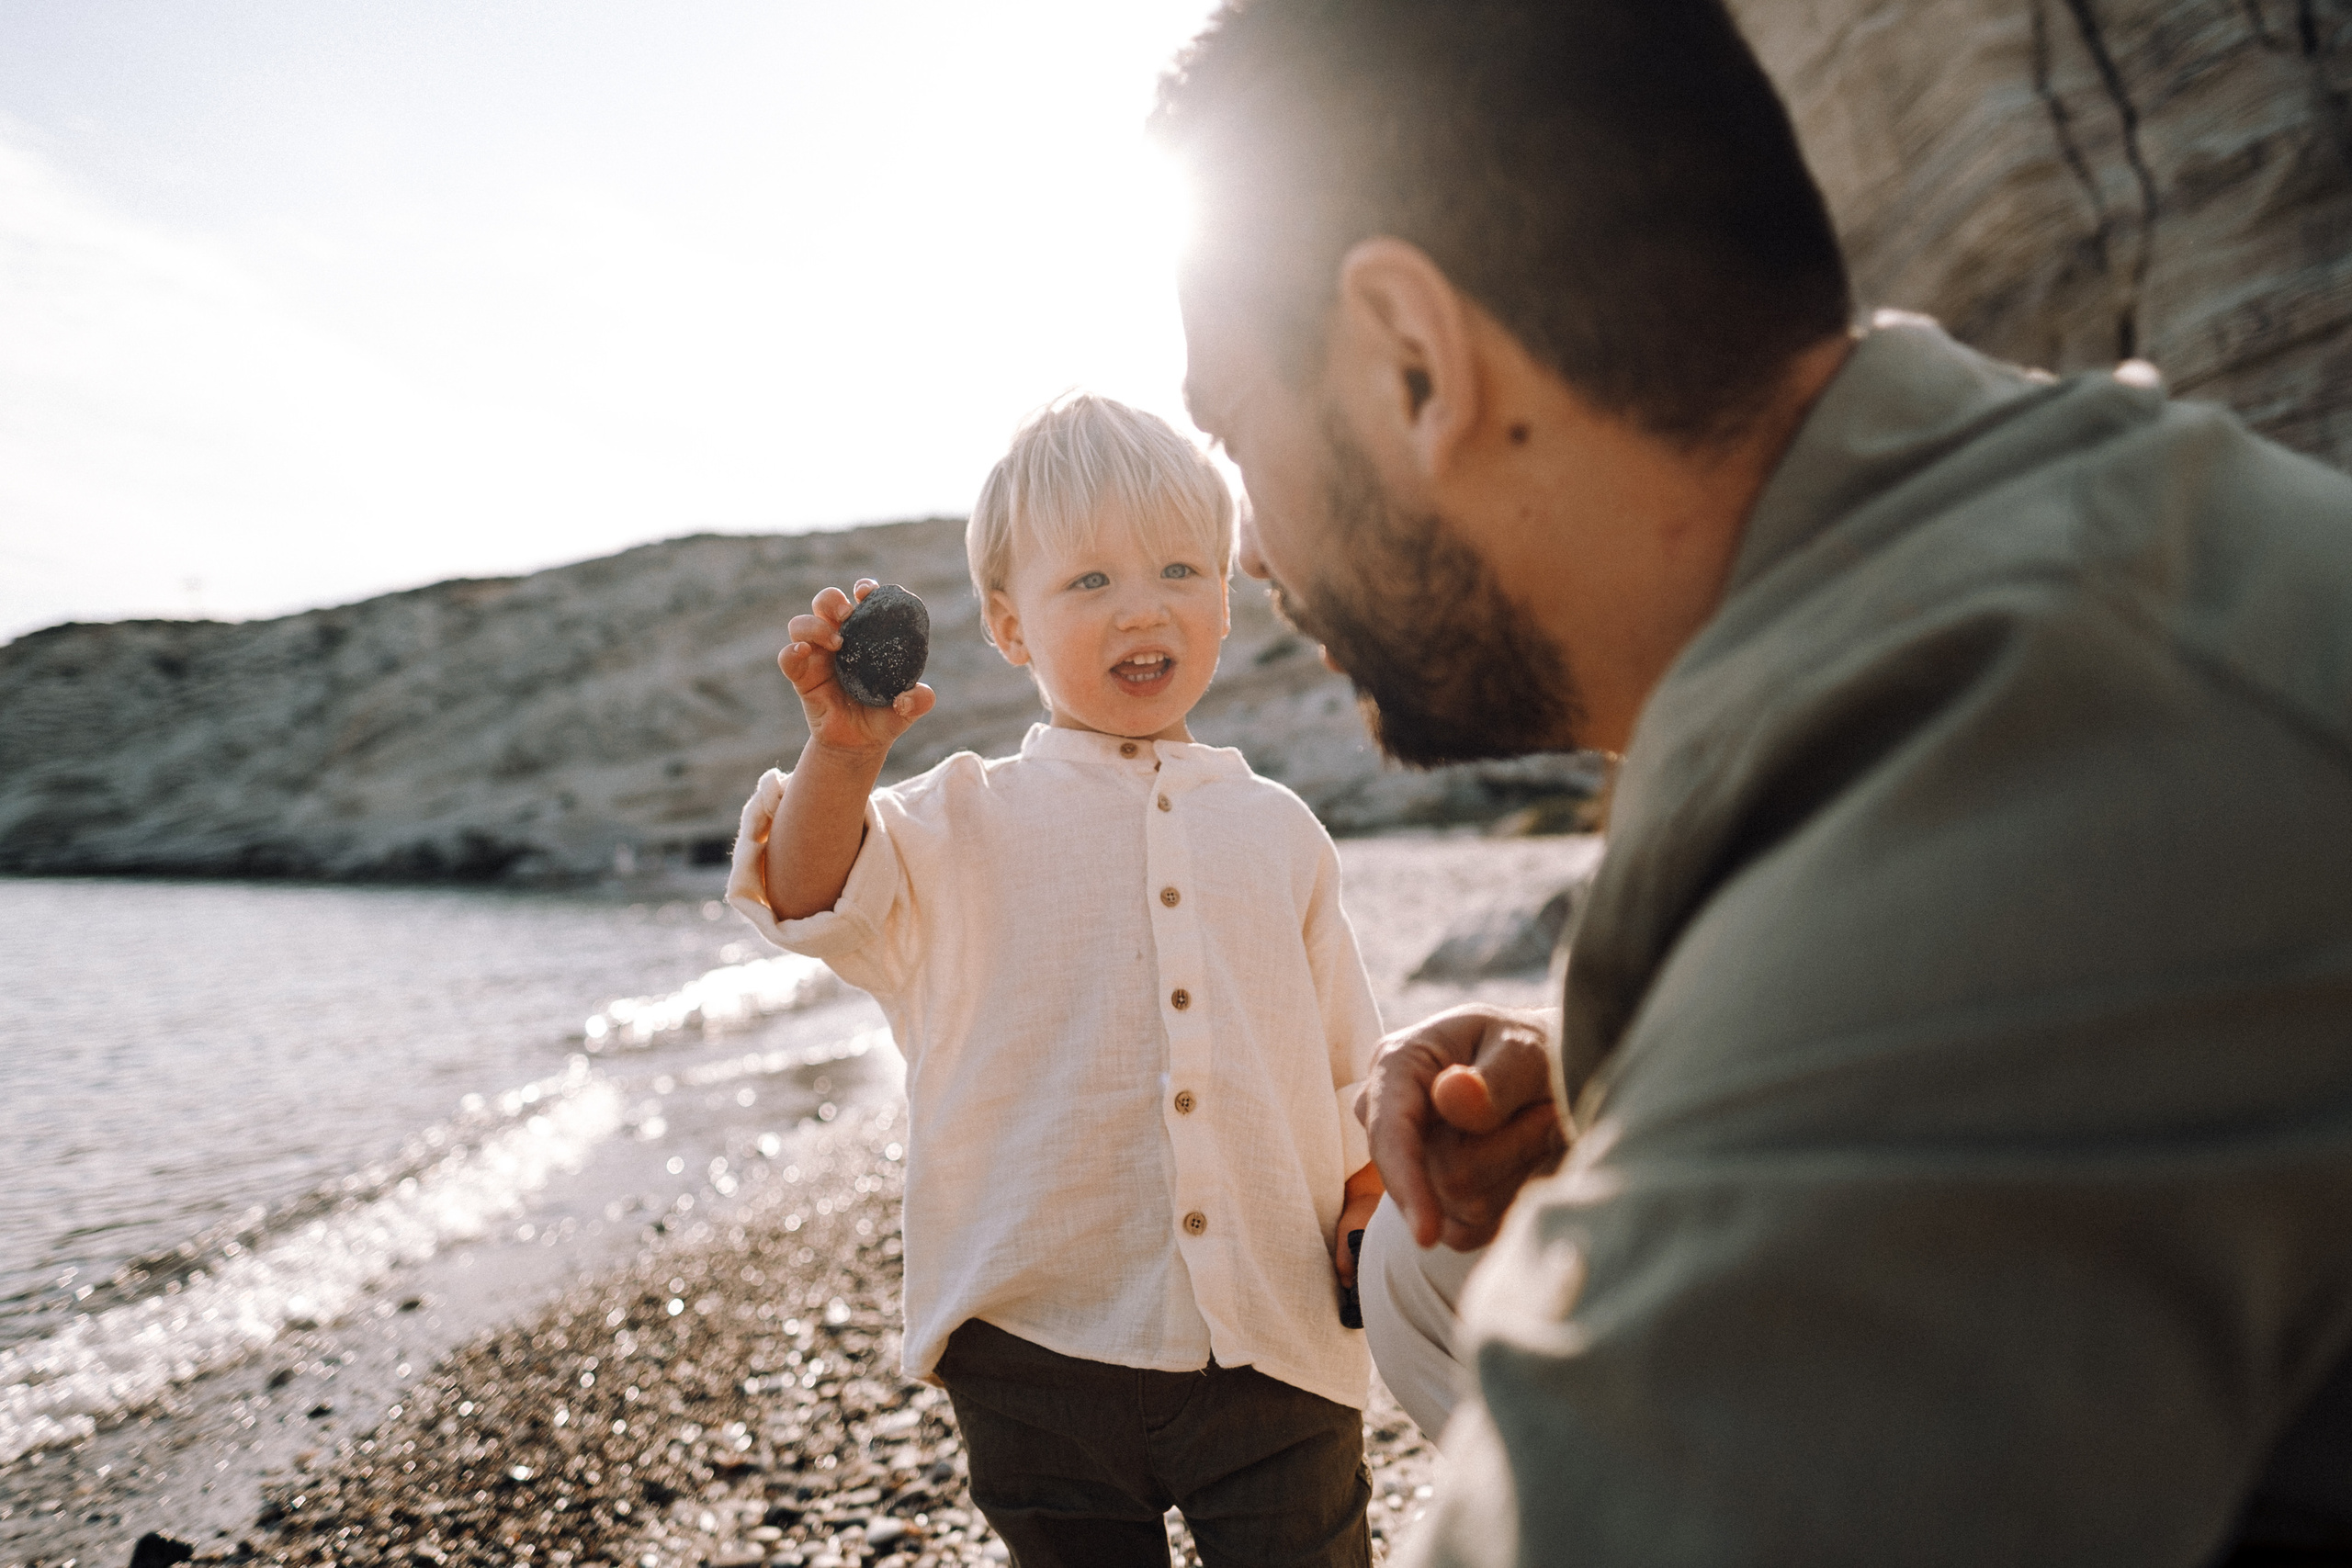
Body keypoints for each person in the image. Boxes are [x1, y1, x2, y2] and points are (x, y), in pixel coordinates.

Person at [1151, 1, 2352, 1562]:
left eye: (1239, 429)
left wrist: (1734, 1081)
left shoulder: (1996, 810)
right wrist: (1618, 1091)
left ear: (1414, 364)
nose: (1250, 545)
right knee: (1433, 1268)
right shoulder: (2044, 522)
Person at [724, 394, 1388, 1568]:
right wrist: (842, 753)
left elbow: (1347, 1060)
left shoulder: (1281, 832)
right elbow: (809, 893)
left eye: (1180, 567)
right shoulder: (954, 821)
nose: (1142, 604)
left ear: (1225, 599)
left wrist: (1366, 1197)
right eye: (1087, 581)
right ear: (1007, 625)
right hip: (1039, 1343)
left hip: (1276, 1336)